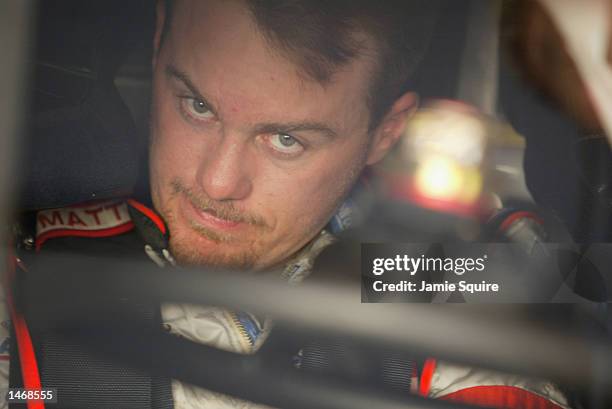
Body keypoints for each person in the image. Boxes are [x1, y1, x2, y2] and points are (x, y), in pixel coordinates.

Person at [5, 1, 573, 408]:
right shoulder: (24, 272)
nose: (219, 181)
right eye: (197, 105)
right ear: (158, 41)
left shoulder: (441, 285)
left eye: (285, 140)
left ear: (385, 132)